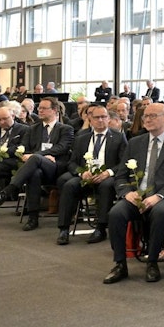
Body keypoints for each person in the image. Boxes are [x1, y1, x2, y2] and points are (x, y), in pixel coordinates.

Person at [102, 103, 164, 284]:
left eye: (153, 116)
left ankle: (152, 262)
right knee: (116, 213)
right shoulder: (135, 143)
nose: (147, 120)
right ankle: (120, 264)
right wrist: (127, 193)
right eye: (145, 116)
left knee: (159, 211)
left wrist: (158, 196)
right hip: (137, 195)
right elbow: (121, 175)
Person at [0, 97, 75, 231]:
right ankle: (32, 217)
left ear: (54, 110)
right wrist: (34, 156)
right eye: (39, 108)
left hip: (56, 167)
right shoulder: (33, 129)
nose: (39, 110)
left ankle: (7, 191)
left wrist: (39, 155)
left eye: (44, 108)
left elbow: (62, 148)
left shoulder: (66, 129)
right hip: (36, 167)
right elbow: (24, 147)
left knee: (35, 158)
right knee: (34, 174)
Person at [54, 104, 126, 245]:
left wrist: (108, 172)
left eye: (104, 117)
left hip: (107, 176)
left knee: (106, 186)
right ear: (90, 120)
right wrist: (82, 173)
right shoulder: (82, 138)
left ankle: (100, 228)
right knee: (69, 185)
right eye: (97, 117)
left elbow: (124, 162)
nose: (100, 120)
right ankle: (63, 229)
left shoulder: (118, 137)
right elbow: (72, 163)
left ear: (108, 119)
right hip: (86, 176)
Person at [0, 103, 30, 217]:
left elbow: (22, 148)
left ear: (13, 116)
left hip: (12, 161)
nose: (2, 122)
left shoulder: (24, 129)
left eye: (5, 119)